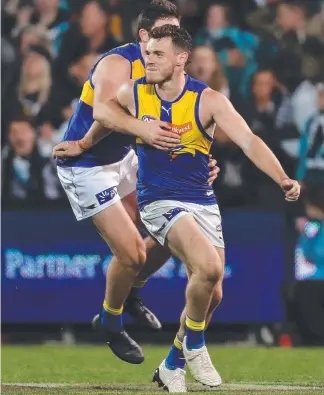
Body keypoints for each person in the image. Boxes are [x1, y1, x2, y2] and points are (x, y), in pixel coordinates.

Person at [64, 24, 301, 391]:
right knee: (207, 267)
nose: (148, 59)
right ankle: (195, 345)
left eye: (158, 54)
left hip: (202, 201)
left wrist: (282, 178)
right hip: (159, 201)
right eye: (148, 52)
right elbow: (104, 116)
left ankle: (172, 365)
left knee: (213, 290)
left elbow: (249, 142)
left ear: (181, 59)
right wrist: (82, 144)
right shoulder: (135, 92)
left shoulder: (209, 100)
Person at [52, 0, 219, 366]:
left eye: (177, 33)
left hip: (126, 158)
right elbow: (105, 111)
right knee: (132, 254)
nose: (174, 40)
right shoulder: (118, 63)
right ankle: (110, 321)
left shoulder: (167, 69)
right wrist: (97, 140)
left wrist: (199, 161)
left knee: (167, 228)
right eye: (165, 32)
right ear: (144, 36)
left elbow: (185, 123)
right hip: (87, 165)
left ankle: (131, 293)